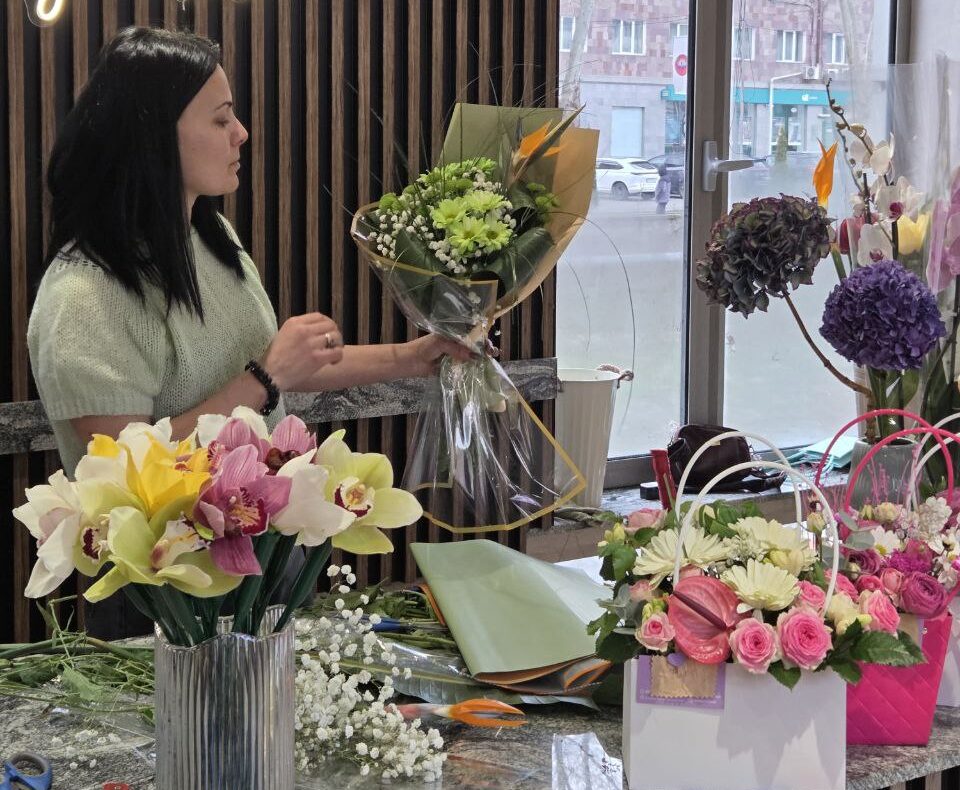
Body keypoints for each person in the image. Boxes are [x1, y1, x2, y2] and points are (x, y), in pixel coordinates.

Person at [29, 27, 469, 637]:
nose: (241, 133)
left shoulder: (213, 239)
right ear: (152, 136)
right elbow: (127, 474)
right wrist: (264, 378)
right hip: (164, 582)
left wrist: (418, 355)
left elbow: (284, 374)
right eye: (220, 119)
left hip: (262, 546)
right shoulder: (83, 293)